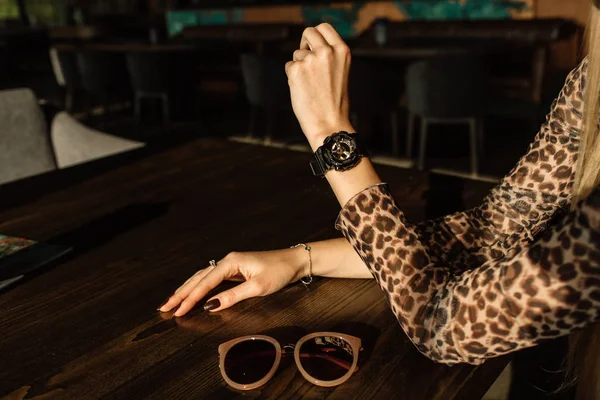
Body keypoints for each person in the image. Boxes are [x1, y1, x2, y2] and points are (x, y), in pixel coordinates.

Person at [160, 8, 600, 398]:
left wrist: (331, 136)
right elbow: (494, 229)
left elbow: (442, 324)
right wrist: (300, 260)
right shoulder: (592, 76)